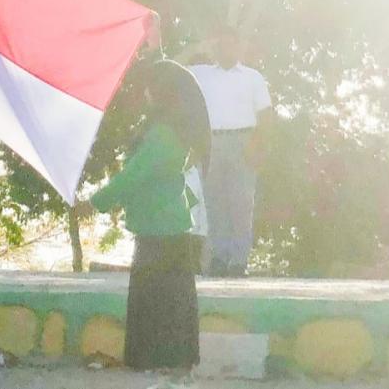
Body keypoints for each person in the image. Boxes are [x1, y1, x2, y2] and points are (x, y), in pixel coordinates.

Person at [75, 60, 210, 373]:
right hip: (165, 227)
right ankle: (171, 362)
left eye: (149, 88)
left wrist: (94, 203)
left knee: (155, 301)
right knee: (169, 300)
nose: (144, 93)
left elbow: (132, 176)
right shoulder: (170, 129)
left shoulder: (162, 134)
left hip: (160, 230)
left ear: (160, 93)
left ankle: (159, 361)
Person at [182, 26, 273, 277]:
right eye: (221, 44)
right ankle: (220, 258)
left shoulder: (253, 77)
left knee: (242, 203)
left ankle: (238, 261)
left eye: (231, 44)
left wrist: (258, 145)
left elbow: (266, 114)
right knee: (214, 203)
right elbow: (172, 68)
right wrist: (197, 48)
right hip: (211, 142)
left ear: (239, 46)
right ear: (216, 47)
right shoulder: (201, 74)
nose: (226, 49)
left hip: (243, 140)